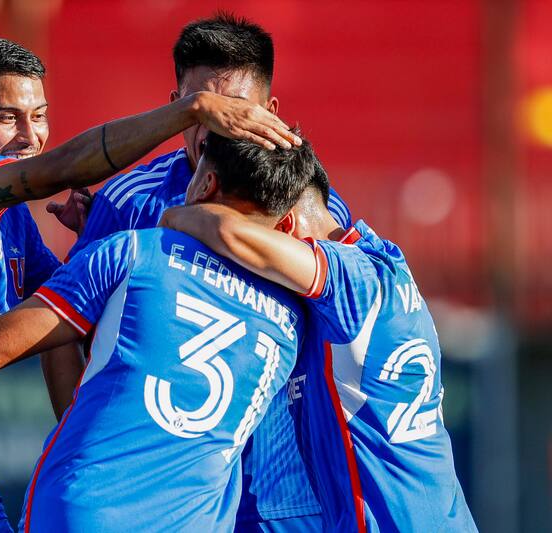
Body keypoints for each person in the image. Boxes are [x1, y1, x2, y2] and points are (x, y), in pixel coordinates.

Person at [0, 35, 296, 532]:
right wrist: (190, 111)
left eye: (39, 116)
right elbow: (54, 170)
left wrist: (98, 236)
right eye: (8, 118)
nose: (30, 136)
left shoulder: (13, 222)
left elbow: (66, 311)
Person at [49, 13, 346, 531]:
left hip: (277, 490)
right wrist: (83, 445)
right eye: (204, 112)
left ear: (271, 112)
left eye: (238, 112)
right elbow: (64, 330)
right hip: (159, 493)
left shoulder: (311, 212)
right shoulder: (127, 201)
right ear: (176, 109)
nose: (218, 131)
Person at [160, 134, 478, 532]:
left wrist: (174, 219)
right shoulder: (376, 268)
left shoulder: (354, 278)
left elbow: (229, 233)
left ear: (285, 227)